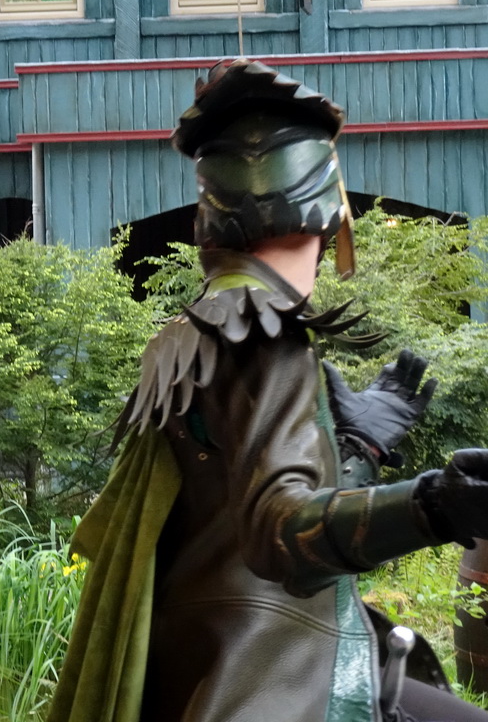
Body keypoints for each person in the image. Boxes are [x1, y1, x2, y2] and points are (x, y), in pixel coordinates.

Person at [47, 60, 488, 721]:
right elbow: (277, 533)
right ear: (326, 213)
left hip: (202, 661)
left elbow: (236, 504)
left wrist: (356, 446)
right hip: (274, 678)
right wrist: (434, 508)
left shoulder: (199, 328)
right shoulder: (268, 332)